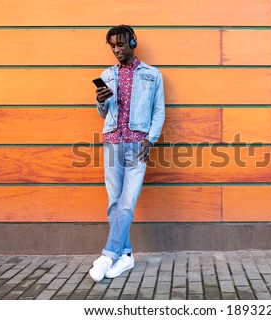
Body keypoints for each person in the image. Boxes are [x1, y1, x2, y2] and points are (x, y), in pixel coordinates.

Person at [89, 25, 165, 282]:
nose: (116, 49)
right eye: (112, 46)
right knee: (114, 201)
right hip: (112, 141)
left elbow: (159, 111)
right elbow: (103, 113)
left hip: (137, 145)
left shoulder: (152, 75)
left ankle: (108, 255)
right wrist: (100, 100)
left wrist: (150, 140)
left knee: (127, 202)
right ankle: (126, 256)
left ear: (133, 42)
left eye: (120, 44)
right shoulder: (107, 74)